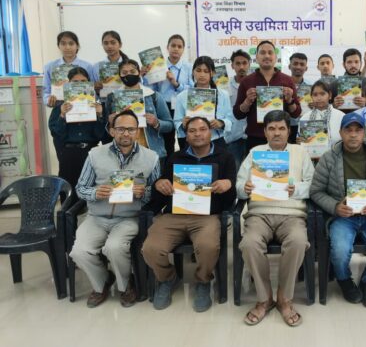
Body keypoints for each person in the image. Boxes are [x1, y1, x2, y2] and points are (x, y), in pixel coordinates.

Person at [143, 116, 237, 312]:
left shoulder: (225, 157)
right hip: (175, 215)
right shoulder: (176, 157)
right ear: (186, 135)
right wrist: (159, 184)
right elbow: (162, 188)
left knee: (208, 246)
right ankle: (167, 278)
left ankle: (203, 281)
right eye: (192, 131)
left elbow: (231, 199)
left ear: (211, 133)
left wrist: (228, 185)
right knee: (151, 249)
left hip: (208, 216)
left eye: (202, 129)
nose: (197, 134)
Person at [70, 110, 161, 308]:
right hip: (96, 217)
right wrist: (95, 193)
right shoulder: (95, 155)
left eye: (131, 129)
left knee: (114, 247)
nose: (126, 133)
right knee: (79, 251)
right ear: (112, 131)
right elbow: (80, 188)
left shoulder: (151, 158)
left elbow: (157, 192)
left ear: (138, 131)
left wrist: (143, 192)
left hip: (129, 217)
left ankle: (125, 286)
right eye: (120, 129)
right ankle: (102, 282)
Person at [310, 113, 366, 308]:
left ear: (365, 133)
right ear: (340, 133)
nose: (353, 135)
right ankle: (344, 280)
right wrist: (335, 207)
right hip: (342, 217)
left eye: (358, 130)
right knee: (340, 251)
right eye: (348, 130)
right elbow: (316, 191)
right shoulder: (328, 159)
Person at [237, 110, 314, 327]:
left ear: (289, 131)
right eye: (271, 129)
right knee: (249, 244)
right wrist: (245, 188)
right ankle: (264, 299)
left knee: (298, 241)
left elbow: (312, 184)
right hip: (259, 213)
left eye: (281, 128)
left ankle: (284, 298)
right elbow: (239, 184)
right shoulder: (255, 152)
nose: (277, 133)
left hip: (292, 214)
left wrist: (295, 189)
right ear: (265, 132)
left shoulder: (300, 152)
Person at [48, 67, 105, 203]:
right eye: (75, 82)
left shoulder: (96, 106)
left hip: (90, 153)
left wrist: (100, 115)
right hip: (68, 154)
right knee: (68, 192)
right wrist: (62, 115)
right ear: (68, 84)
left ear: (89, 83)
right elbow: (56, 133)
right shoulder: (60, 106)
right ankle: (67, 215)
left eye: (83, 81)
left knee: (89, 191)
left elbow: (101, 135)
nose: (79, 85)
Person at [233, 40, 301, 152]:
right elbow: (238, 114)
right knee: (255, 164)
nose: (267, 56)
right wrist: (247, 101)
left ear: (275, 57)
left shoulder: (287, 80)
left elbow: (296, 113)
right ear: (256, 57)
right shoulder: (246, 81)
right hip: (255, 139)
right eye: (262, 52)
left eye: (270, 52)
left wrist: (290, 100)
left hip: (281, 138)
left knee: (281, 164)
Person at [105, 59, 174, 163]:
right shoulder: (112, 98)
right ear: (119, 75)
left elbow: (170, 125)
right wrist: (110, 123)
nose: (129, 75)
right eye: (124, 72)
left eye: (132, 71)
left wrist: (156, 123)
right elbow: (107, 132)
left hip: (152, 153)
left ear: (139, 72)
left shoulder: (153, 96)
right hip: (122, 154)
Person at [143, 34, 193, 158]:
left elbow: (193, 90)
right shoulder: (157, 66)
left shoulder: (189, 67)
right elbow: (150, 90)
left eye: (179, 46)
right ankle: (167, 168)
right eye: (173, 45)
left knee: (184, 140)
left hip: (183, 107)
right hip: (164, 107)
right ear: (167, 47)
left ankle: (183, 165)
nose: (176, 49)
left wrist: (176, 84)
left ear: (183, 49)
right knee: (167, 141)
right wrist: (144, 76)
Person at [173, 56, 232, 150]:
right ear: (193, 72)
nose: (202, 74)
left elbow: (230, 119)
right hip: (192, 142)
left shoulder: (223, 95)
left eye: (206, 71)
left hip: (216, 141)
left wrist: (221, 123)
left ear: (213, 73)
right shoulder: (182, 96)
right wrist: (183, 123)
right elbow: (176, 121)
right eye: (198, 70)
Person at [42, 31, 94, 107]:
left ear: (77, 46)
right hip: (59, 108)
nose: (67, 47)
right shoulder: (50, 67)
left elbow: (93, 90)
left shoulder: (87, 66)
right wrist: (48, 100)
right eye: (63, 44)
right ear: (58, 46)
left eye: (71, 43)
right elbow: (46, 92)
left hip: (82, 107)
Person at [225, 49, 251, 171]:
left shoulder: (256, 85)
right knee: (234, 170)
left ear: (249, 64)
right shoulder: (224, 86)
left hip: (251, 135)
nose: (241, 67)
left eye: (244, 63)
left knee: (253, 172)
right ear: (232, 66)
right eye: (238, 63)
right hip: (233, 136)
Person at [298, 80, 345, 149]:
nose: (319, 98)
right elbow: (300, 143)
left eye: (322, 94)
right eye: (315, 95)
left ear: (330, 95)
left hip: (336, 154)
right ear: (311, 97)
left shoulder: (341, 116)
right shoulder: (304, 118)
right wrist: (300, 141)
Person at [333, 48, 366, 112]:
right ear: (344, 64)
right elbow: (326, 108)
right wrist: (334, 105)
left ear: (361, 63)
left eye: (356, 62)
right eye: (349, 62)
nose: (353, 65)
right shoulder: (334, 85)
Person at [92, 30, 129, 97]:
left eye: (113, 43)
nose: (109, 46)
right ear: (102, 45)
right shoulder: (96, 67)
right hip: (104, 101)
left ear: (120, 44)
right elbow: (92, 94)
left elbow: (138, 87)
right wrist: (96, 89)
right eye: (106, 43)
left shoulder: (130, 65)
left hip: (126, 100)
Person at [288, 52, 311, 143]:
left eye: (302, 64)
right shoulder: (282, 85)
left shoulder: (312, 86)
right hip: (287, 126)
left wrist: (315, 104)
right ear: (289, 66)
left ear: (306, 68)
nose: (298, 67)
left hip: (306, 125)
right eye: (295, 63)